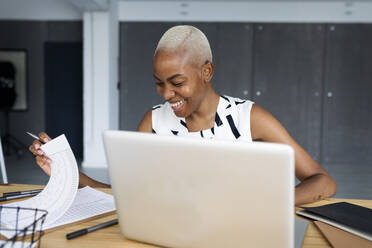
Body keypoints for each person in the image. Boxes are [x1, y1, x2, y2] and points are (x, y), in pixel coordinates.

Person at [29, 25, 337, 206]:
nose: (165, 94)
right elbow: (125, 196)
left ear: (206, 72)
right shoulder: (153, 123)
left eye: (177, 83)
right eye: (159, 84)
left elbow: (323, 182)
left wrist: (267, 204)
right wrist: (65, 170)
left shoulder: (249, 118)